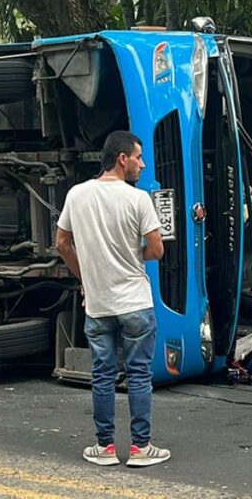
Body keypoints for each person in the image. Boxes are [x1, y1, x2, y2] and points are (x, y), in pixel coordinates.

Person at [55, 130, 170, 468]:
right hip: (135, 301)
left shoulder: (77, 195)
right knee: (138, 374)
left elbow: (62, 242)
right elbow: (157, 250)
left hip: (99, 304)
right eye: (138, 157)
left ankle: (104, 447)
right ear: (122, 159)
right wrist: (135, 254)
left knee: (103, 375)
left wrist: (86, 277)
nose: (142, 164)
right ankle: (140, 448)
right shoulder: (137, 200)